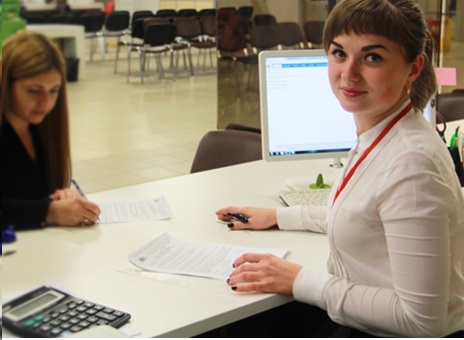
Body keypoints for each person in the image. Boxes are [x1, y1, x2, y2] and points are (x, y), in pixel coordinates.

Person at [216, 0, 464, 337]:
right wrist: (279, 216)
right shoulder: (382, 132)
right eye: (338, 53)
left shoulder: (412, 167)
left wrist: (300, 279)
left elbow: (420, 320)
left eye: (372, 57)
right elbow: (361, 216)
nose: (349, 73)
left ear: (414, 68)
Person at [1, 31, 101, 230]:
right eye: (34, 91)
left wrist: (59, 198)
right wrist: (50, 211)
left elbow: (29, 196)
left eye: (53, 90)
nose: (45, 102)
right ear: (6, 84)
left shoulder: (40, 130)